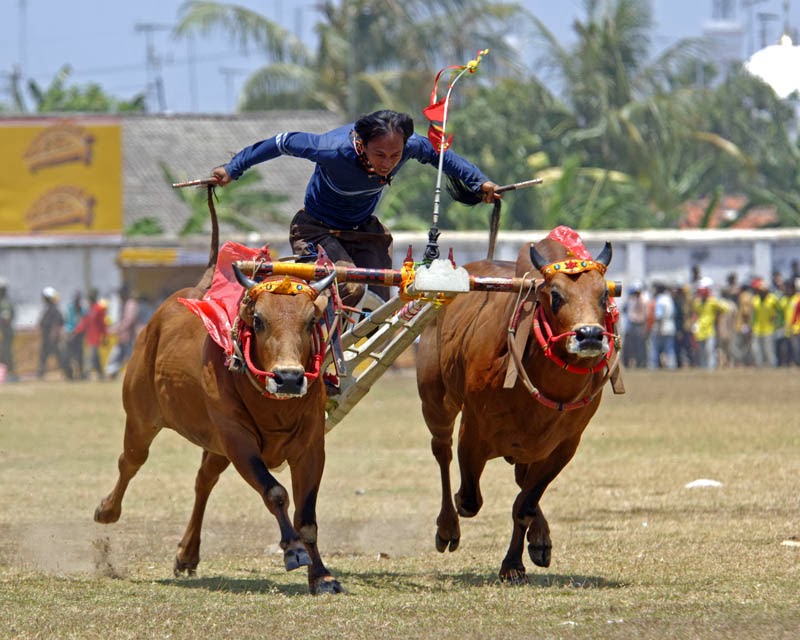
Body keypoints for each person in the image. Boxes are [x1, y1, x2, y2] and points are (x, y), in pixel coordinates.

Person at [210, 109, 500, 306]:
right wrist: (233, 169)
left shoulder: (411, 146)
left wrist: (479, 182)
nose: (387, 163)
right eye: (380, 155)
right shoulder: (330, 149)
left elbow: (441, 156)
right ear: (361, 144)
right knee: (351, 286)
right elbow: (280, 142)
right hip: (315, 231)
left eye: (395, 155)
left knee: (379, 301)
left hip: (364, 231)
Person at [105, 284, 140, 379]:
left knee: (130, 357)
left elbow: (128, 321)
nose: (120, 296)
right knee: (117, 355)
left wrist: (116, 329)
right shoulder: (123, 304)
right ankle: (111, 373)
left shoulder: (131, 304)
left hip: (131, 337)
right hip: (122, 337)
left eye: (121, 294)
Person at [72, 287, 107, 380]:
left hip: (96, 337)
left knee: (91, 357)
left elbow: (102, 324)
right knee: (95, 357)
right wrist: (76, 330)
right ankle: (101, 374)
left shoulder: (98, 309)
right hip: (89, 337)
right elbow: (84, 322)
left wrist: (104, 336)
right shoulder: (89, 310)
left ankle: (86, 374)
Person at [37, 286, 69, 379]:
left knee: (60, 357)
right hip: (48, 339)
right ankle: (40, 374)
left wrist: (53, 335)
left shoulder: (53, 310)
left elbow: (57, 324)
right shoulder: (49, 310)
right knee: (45, 357)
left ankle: (68, 374)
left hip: (52, 339)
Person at [64, 290, 86, 380]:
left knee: (79, 356)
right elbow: (68, 322)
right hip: (70, 336)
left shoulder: (83, 310)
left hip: (78, 336)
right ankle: (70, 375)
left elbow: (83, 323)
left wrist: (77, 331)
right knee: (69, 356)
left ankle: (81, 374)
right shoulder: (70, 308)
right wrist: (70, 332)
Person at [0, 278, 17, 381]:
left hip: (5, 332)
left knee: (6, 353)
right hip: (5, 332)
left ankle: (10, 374)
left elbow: (6, 319)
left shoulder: (5, 302)